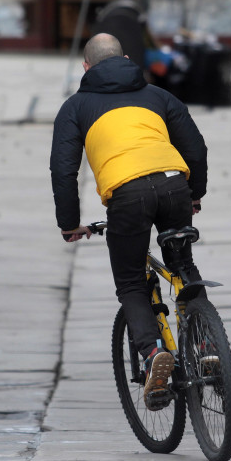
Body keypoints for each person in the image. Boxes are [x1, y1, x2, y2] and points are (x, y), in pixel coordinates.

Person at [50, 33, 208, 409]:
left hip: (128, 196)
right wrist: (195, 193)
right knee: (183, 264)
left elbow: (63, 170)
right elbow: (196, 147)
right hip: (174, 186)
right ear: (125, 58)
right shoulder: (158, 96)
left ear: (86, 67)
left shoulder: (76, 107)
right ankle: (205, 345)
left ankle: (153, 354)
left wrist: (70, 223)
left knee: (131, 280)